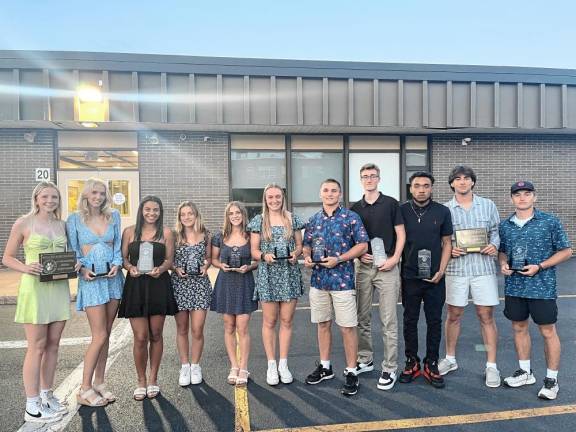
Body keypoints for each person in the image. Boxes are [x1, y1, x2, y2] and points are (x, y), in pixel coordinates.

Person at [2, 181, 76, 423]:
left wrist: (75, 264)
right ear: (36, 198)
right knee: (37, 345)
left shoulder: (62, 225)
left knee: (54, 344)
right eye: (45, 196)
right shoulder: (24, 223)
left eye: (54, 197)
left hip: (58, 288)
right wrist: (26, 267)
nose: (50, 201)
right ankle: (32, 404)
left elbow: (70, 255)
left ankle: (46, 395)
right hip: (34, 289)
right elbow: (7, 258)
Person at [498, 181, 571, 400]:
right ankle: (525, 371)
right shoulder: (505, 225)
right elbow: (503, 252)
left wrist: (540, 266)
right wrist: (503, 264)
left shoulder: (549, 221)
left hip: (542, 288)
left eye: (527, 194)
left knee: (548, 332)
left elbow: (566, 251)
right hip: (515, 288)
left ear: (534, 197)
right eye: (517, 194)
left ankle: (551, 380)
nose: (522, 198)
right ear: (511, 199)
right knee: (519, 328)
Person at [303, 178, 369, 396]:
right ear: (320, 194)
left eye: (334, 191)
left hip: (342, 280)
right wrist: (308, 258)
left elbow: (362, 245)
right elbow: (306, 246)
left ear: (339, 194)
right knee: (322, 324)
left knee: (347, 327)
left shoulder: (351, 218)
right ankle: (325, 367)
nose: (329, 194)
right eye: (326, 190)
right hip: (319, 281)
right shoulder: (313, 220)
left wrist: (339, 258)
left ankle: (351, 371)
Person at [438, 166, 502, 388]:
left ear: (473, 182)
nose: (463, 182)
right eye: (458, 179)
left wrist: (494, 245)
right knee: (454, 314)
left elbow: (496, 230)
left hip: (483, 268)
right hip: (456, 270)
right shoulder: (445, 209)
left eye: (467, 179)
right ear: (452, 184)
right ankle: (450, 359)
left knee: (486, 315)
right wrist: (449, 248)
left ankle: (491, 366)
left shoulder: (488, 205)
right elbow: (441, 238)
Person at [66, 178, 125, 407]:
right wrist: (82, 270)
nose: (98, 197)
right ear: (86, 195)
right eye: (94, 193)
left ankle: (100, 383)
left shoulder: (114, 216)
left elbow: (118, 245)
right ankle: (84, 389)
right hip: (91, 281)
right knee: (98, 335)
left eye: (102, 193)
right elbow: (73, 250)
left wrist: (117, 264)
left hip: (112, 280)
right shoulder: (74, 219)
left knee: (107, 333)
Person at [350, 163, 405, 391]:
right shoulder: (355, 208)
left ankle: (390, 367)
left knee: (388, 319)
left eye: (373, 176)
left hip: (387, 266)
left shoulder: (391, 204)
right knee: (362, 317)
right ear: (361, 180)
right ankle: (366, 359)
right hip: (364, 267)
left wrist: (394, 259)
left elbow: (401, 235)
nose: (369, 179)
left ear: (379, 179)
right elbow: (351, 238)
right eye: (365, 176)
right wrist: (358, 256)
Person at [118, 196, 177, 401]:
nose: (152, 213)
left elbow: (170, 260)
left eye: (156, 210)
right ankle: (140, 380)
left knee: (156, 333)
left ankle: (153, 379)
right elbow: (123, 258)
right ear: (141, 210)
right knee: (141, 336)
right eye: (148, 209)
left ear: (160, 212)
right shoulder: (129, 232)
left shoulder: (167, 233)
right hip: (136, 285)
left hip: (158, 284)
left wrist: (160, 269)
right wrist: (129, 267)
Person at [399, 172, 452, 389]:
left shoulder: (442, 211)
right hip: (410, 275)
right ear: (410, 188)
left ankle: (431, 363)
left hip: (435, 277)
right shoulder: (401, 211)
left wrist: (441, 270)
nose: (421, 189)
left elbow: (447, 243)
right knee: (410, 320)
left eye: (426, 185)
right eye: (417, 185)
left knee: (434, 321)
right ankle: (412, 362)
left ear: (432, 188)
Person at [248, 184, 305, 386]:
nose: (274, 200)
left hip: (289, 273)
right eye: (270, 197)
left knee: (287, 321)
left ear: (283, 197)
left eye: (277, 196)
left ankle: (283, 364)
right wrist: (264, 256)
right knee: (269, 322)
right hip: (268, 275)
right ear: (265, 199)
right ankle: (271, 364)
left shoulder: (292, 218)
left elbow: (299, 246)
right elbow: (253, 250)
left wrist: (295, 255)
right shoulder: (258, 220)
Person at [211, 201, 258, 386]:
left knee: (243, 327)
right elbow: (213, 260)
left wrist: (250, 266)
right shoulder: (220, 236)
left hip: (244, 281)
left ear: (243, 214)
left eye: (237, 212)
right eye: (231, 213)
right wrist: (220, 265)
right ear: (227, 216)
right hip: (226, 282)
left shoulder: (251, 234)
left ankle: (244, 367)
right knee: (229, 326)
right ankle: (234, 366)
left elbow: (257, 260)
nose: (235, 216)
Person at [171, 201, 212, 386]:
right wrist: (175, 268)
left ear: (196, 215)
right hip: (179, 285)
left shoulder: (206, 234)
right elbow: (168, 260)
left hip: (199, 285)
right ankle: (184, 366)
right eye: (183, 214)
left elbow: (209, 257)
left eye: (190, 213)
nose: (187, 217)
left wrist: (206, 266)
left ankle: (195, 366)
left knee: (197, 329)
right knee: (182, 329)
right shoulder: (174, 235)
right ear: (179, 217)